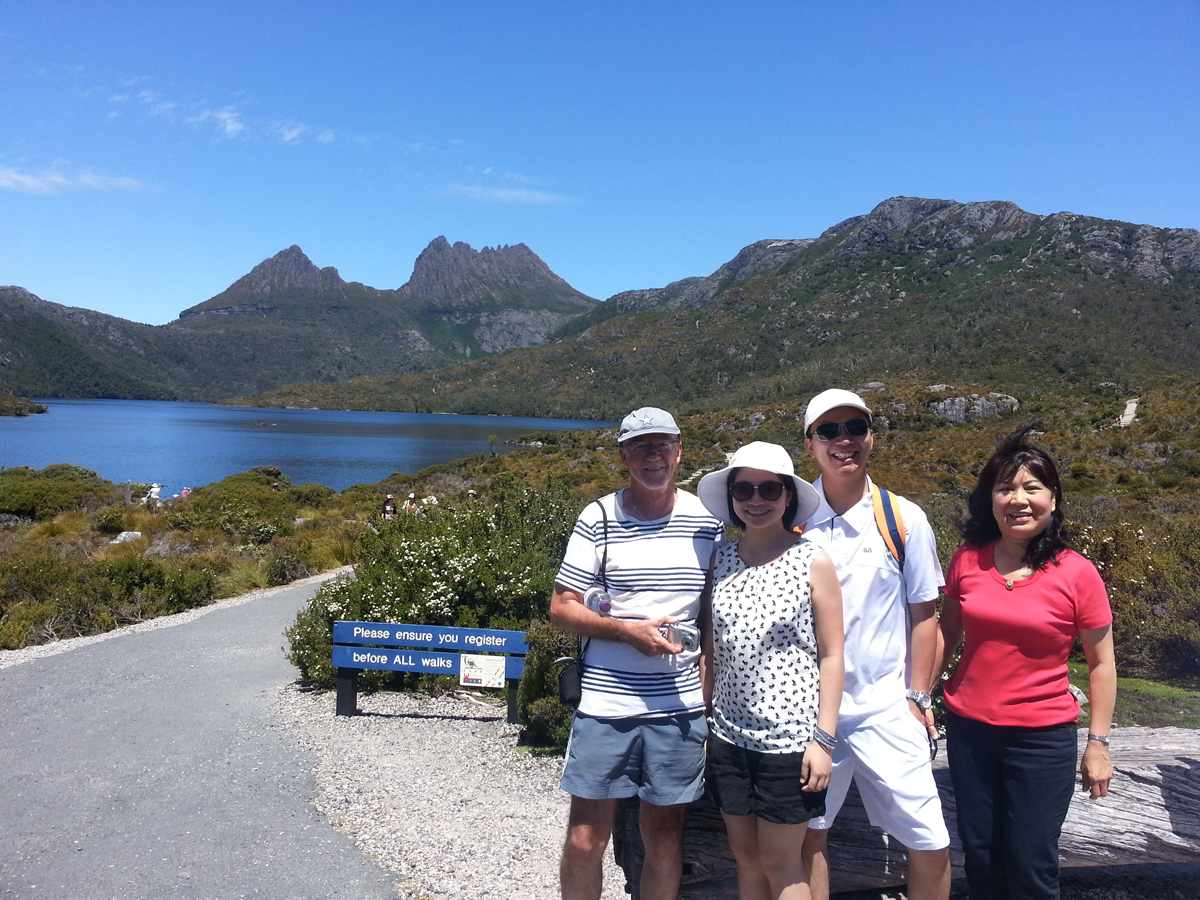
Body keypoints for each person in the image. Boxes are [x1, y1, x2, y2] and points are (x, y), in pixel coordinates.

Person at [933, 424, 1115, 900]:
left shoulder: (1077, 572)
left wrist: (1097, 743)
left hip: (1042, 740)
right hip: (970, 730)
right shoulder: (968, 560)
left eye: (1032, 488)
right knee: (981, 856)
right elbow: (947, 632)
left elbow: (1101, 664)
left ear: (1053, 499)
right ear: (990, 500)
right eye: (1006, 488)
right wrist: (919, 696)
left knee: (1032, 862)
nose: (1019, 499)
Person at [550, 406, 724, 900]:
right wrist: (627, 632)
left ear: (679, 451)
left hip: (679, 708)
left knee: (665, 840)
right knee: (585, 840)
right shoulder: (599, 517)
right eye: (641, 447)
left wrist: (707, 695)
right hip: (605, 706)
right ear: (624, 455)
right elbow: (561, 608)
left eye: (663, 444)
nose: (654, 456)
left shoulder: (706, 522)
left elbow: (712, 616)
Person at [797, 389, 951, 900]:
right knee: (808, 837)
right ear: (810, 445)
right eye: (828, 431)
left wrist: (917, 697)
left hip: (887, 709)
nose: (844, 441)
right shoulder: (791, 524)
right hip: (813, 714)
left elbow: (924, 615)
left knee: (930, 840)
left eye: (855, 428)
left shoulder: (904, 519)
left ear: (871, 436)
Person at [696, 442, 845, 900]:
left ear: (787, 497)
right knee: (748, 861)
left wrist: (823, 741)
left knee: (782, 864)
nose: (755, 499)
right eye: (744, 489)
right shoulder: (719, 559)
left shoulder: (812, 561)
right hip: (728, 738)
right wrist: (704, 723)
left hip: (790, 745)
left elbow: (833, 655)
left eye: (768, 489)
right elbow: (710, 650)